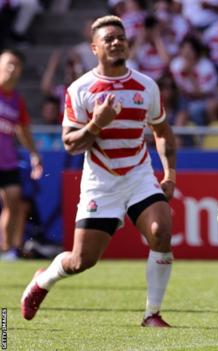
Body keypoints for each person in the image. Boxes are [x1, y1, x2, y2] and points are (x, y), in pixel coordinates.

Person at [20, 15, 177, 328]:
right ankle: (43, 280)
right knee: (81, 261)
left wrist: (170, 174)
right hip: (101, 183)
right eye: (109, 39)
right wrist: (96, 124)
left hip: (139, 176)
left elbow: (162, 132)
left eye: (121, 37)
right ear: (94, 47)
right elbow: (70, 144)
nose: (117, 42)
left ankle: (152, 314)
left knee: (161, 232)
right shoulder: (80, 89)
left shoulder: (146, 86)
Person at [0, 49, 43, 260]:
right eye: (8, 63)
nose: (11, 68)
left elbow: (23, 131)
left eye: (16, 65)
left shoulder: (17, 101)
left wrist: (34, 154)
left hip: (7, 161)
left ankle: (7, 250)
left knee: (14, 201)